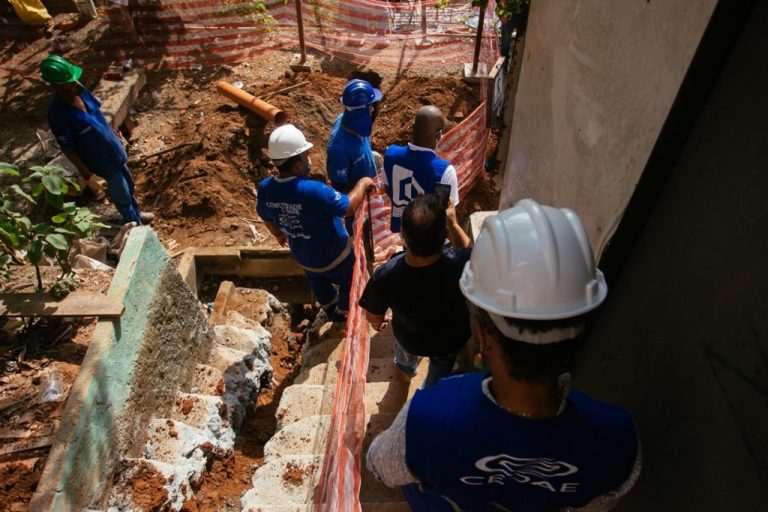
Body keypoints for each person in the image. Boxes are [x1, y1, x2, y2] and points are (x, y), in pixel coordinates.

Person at [367, 199, 641, 511]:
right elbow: (598, 500)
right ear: (581, 326)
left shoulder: (425, 417)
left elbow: (380, 466)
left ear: (482, 335)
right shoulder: (617, 440)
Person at [257, 124, 374, 322]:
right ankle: (342, 314)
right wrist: (363, 183)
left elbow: (265, 216)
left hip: (303, 256)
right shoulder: (315, 191)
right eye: (305, 155)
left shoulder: (266, 188)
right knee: (350, 279)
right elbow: (348, 207)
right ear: (297, 165)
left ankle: (329, 309)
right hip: (336, 256)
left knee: (318, 281)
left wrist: (278, 234)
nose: (309, 160)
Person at [359, 193, 472, 387]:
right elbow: (473, 254)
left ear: (402, 233)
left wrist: (377, 324)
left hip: (409, 338)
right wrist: (452, 223)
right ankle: (432, 390)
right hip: (449, 340)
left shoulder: (386, 275)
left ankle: (405, 369)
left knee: (405, 354)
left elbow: (373, 315)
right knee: (440, 367)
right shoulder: (459, 264)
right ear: (445, 235)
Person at [41, 55, 150, 225]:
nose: (75, 84)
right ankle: (136, 227)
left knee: (129, 185)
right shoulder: (58, 115)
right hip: (101, 162)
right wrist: (87, 175)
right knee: (121, 194)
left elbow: (98, 117)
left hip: (114, 151)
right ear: (56, 86)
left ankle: (136, 214)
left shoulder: (80, 92)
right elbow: (68, 148)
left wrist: (115, 135)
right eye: (69, 82)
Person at [382, 105, 459, 233]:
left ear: (413, 128)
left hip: (403, 230)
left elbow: (388, 189)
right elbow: (446, 213)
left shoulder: (391, 155)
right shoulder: (444, 171)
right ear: (438, 135)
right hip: (428, 240)